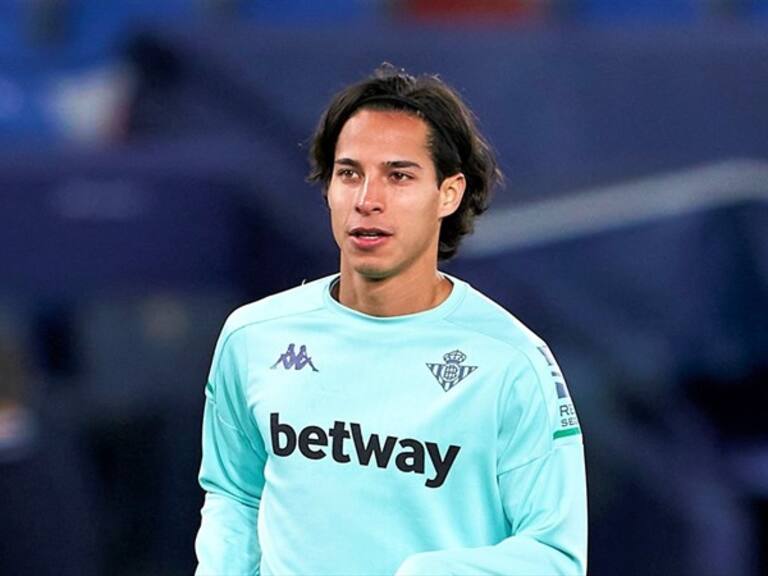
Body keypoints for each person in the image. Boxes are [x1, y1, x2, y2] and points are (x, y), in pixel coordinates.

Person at [194, 64, 587, 575]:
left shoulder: (512, 363)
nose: (367, 200)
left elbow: (556, 559)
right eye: (349, 173)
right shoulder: (253, 337)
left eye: (398, 176)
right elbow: (234, 497)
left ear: (448, 193)